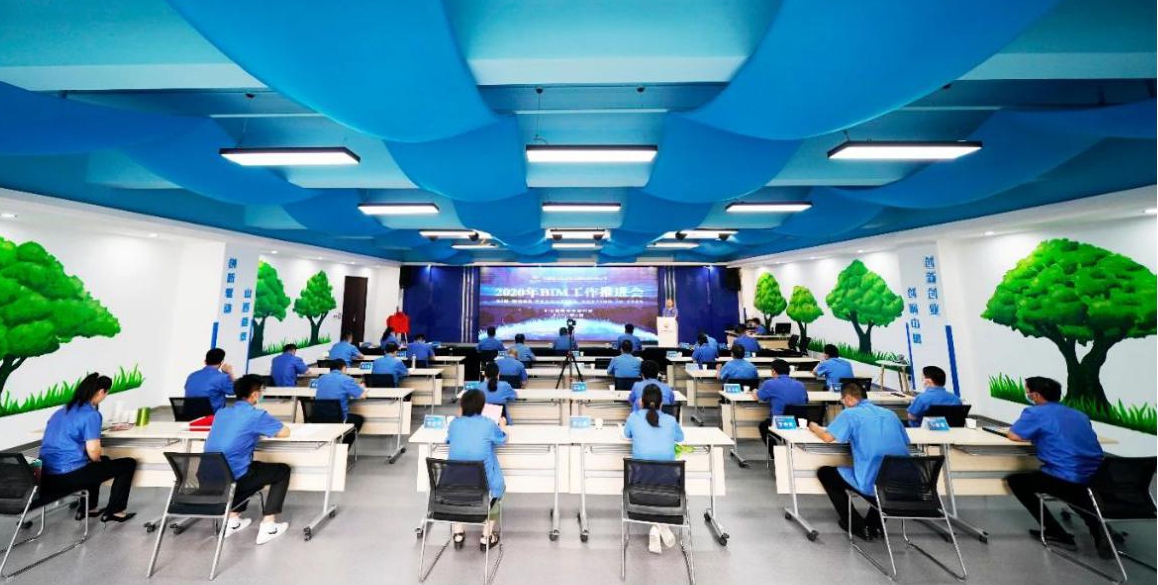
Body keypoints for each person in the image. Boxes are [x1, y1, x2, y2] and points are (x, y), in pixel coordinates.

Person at [1005, 377, 1108, 556]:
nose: (1028, 395)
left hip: (1063, 477)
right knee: (1077, 491)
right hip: (1097, 475)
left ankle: (1055, 532)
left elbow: (1014, 435)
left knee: (1017, 482)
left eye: (1028, 392)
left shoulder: (1035, 413)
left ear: (1036, 395)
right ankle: (1099, 530)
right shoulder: (1079, 414)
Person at [808, 382, 910, 540]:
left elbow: (827, 437)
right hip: (902, 483)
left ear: (849, 398)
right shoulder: (890, 414)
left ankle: (856, 525)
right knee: (882, 477)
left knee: (826, 473)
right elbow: (906, 440)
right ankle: (874, 524)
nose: (842, 403)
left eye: (842, 400)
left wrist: (814, 427)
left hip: (874, 483)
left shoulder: (850, 414)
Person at [204, 375, 292, 545]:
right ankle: (268, 526)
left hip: (210, 479)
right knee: (282, 471)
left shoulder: (221, 413)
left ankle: (233, 520)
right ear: (255, 395)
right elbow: (284, 432)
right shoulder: (256, 415)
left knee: (246, 468)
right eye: (261, 391)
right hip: (235, 480)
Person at [39, 373, 137, 523]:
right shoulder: (91, 414)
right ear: (101, 392)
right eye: (106, 393)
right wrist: (96, 459)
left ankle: (88, 508)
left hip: (47, 474)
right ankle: (116, 511)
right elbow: (93, 452)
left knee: (101, 462)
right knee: (128, 463)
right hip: (69, 476)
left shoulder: (60, 411)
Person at [623, 384, 685, 554]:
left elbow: (626, 434)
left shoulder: (634, 417)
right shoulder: (670, 420)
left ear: (641, 402)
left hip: (638, 490)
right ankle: (660, 526)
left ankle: (656, 527)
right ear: (661, 403)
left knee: (649, 480)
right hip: (670, 491)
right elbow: (680, 438)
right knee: (661, 481)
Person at [446, 389, 508, 549]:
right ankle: (486, 536)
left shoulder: (454, 424)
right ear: (482, 406)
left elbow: (448, 440)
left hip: (454, 485)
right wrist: (503, 426)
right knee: (497, 486)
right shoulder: (488, 424)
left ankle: (458, 533)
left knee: (459, 485)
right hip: (484, 485)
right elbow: (502, 439)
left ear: (462, 406)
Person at [756, 359, 809, 453]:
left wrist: (754, 391)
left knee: (763, 426)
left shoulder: (769, 383)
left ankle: (774, 455)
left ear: (773, 371)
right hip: (799, 423)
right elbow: (806, 401)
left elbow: (759, 397)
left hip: (780, 423)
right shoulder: (800, 385)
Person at [315, 361, 367, 442]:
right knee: (359, 419)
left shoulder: (321, 378)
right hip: (338, 418)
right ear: (344, 368)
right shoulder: (346, 379)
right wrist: (362, 388)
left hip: (319, 417)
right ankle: (345, 445)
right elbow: (362, 395)